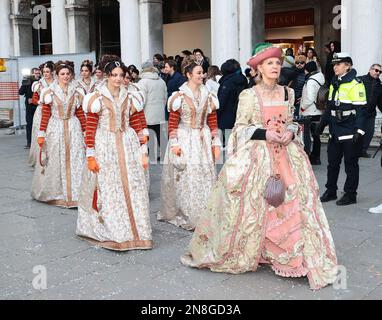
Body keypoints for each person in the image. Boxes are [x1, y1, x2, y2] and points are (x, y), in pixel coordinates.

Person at [181, 43, 338, 291]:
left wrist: (290, 131)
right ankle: (258, 249)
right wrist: (266, 134)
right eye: (269, 63)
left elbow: (292, 122)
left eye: (277, 63)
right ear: (259, 69)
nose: (275, 67)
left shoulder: (288, 93)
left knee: (293, 202)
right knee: (256, 206)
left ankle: (293, 255)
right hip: (258, 157)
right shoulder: (249, 95)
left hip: (287, 155)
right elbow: (240, 129)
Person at [76, 55, 152, 251]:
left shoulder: (130, 96)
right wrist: (90, 154)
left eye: (121, 75)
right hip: (105, 144)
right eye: (114, 75)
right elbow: (90, 128)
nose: (118, 79)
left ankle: (137, 231)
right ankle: (115, 231)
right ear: (107, 76)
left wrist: (143, 149)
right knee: (110, 188)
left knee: (132, 186)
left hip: (127, 143)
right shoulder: (96, 98)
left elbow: (136, 123)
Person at [158, 57, 221, 231]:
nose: (202, 75)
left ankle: (206, 212)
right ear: (188, 74)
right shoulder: (179, 96)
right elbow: (172, 122)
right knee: (188, 176)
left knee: (205, 175)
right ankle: (189, 213)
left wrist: (215, 141)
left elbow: (213, 119)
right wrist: (174, 144)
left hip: (203, 137)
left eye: (203, 72)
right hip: (185, 137)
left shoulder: (208, 95)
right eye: (199, 73)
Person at [31, 60, 86, 208]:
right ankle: (57, 194)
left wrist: (85, 130)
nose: (66, 76)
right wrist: (41, 133)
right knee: (56, 159)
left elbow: (80, 112)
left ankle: (76, 194)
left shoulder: (77, 90)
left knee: (76, 159)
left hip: (73, 127)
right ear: (57, 75)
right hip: (55, 127)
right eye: (62, 74)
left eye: (68, 74)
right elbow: (46, 114)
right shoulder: (49, 92)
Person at [317, 52, 367, 206]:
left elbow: (361, 110)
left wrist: (359, 131)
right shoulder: (334, 82)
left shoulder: (356, 84)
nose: (335, 67)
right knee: (332, 163)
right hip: (335, 130)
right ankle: (331, 191)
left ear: (348, 66)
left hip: (350, 130)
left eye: (339, 64)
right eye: (334, 64)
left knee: (350, 165)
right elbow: (330, 107)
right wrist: (321, 125)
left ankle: (351, 194)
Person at [29, 61, 55, 167]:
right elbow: (34, 99)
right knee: (41, 133)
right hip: (41, 111)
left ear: (52, 72)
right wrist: (40, 101)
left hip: (54, 111)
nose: (45, 74)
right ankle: (40, 158)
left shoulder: (57, 83)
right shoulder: (39, 84)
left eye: (47, 72)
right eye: (44, 72)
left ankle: (52, 156)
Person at [217, 59, 248, 145]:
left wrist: (216, 115)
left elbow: (222, 101)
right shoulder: (243, 80)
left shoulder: (227, 83)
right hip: (240, 116)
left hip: (226, 118)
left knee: (227, 146)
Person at [138, 61, 168, 149]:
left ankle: (148, 153)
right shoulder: (161, 81)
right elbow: (165, 98)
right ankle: (163, 155)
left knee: (147, 134)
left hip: (147, 114)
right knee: (160, 135)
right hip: (160, 113)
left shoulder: (143, 82)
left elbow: (142, 100)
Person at [300, 61, 325, 164]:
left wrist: (302, 107)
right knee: (316, 136)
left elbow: (310, 98)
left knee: (309, 135)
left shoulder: (311, 81)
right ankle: (316, 156)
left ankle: (313, 157)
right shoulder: (320, 78)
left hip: (311, 111)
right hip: (318, 110)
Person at [360, 64, 382, 158]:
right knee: (358, 132)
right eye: (376, 70)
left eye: (380, 72)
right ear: (370, 70)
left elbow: (380, 102)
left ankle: (363, 151)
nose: (378, 73)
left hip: (371, 113)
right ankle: (354, 151)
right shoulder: (360, 80)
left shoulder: (379, 85)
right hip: (359, 112)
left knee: (369, 132)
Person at [19, 67, 41, 149]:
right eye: (36, 73)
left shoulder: (41, 81)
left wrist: (36, 100)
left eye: (39, 73)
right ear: (32, 74)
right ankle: (29, 142)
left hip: (39, 106)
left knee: (40, 124)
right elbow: (20, 92)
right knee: (30, 124)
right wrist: (24, 83)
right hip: (29, 108)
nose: (37, 75)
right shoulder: (27, 81)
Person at [290, 54, 307, 119]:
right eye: (297, 63)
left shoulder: (306, 74)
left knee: (298, 118)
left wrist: (302, 97)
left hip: (300, 99)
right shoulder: (290, 72)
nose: (299, 64)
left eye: (302, 63)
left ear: (305, 63)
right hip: (290, 98)